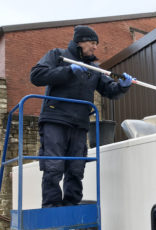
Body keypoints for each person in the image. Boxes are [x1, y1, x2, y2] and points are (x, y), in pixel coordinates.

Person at [31, 25, 133, 208]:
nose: (95, 47)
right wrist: (68, 71)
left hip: (79, 124)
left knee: (77, 168)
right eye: (92, 43)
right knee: (54, 166)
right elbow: (36, 75)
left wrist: (123, 86)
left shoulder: (93, 68)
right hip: (55, 119)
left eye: (96, 44)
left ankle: (71, 204)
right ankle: (52, 206)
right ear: (80, 42)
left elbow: (110, 90)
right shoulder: (57, 55)